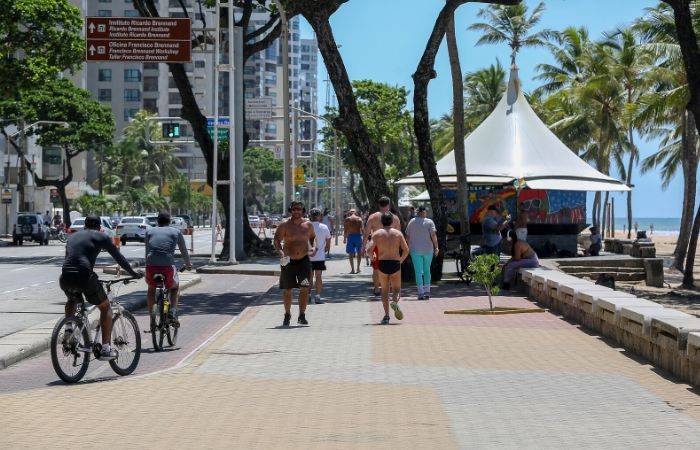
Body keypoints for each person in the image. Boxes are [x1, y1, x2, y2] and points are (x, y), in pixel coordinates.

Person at [59, 214, 142, 360]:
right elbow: (119, 258)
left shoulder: (72, 237)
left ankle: (68, 329)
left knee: (72, 299)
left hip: (65, 276)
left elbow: (70, 258)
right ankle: (106, 348)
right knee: (105, 307)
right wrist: (133, 273)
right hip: (85, 276)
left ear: (84, 226)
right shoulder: (101, 236)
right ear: (100, 227)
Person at [145, 211, 192, 330]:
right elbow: (183, 250)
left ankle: (152, 319)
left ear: (157, 221)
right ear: (170, 221)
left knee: (151, 289)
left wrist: (147, 266)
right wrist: (188, 264)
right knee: (175, 287)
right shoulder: (176, 232)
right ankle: (172, 311)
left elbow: (147, 251)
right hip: (167, 267)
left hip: (151, 266)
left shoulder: (149, 231)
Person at [274, 201, 317, 326]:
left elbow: (313, 238)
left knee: (304, 288)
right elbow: (276, 240)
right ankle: (287, 314)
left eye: (299, 209)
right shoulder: (284, 225)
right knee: (287, 289)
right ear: (290, 210)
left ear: (303, 210)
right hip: (287, 260)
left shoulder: (308, 225)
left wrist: (314, 248)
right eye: (294, 209)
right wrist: (280, 252)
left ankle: (302, 315)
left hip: (304, 260)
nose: (296, 211)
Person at [368, 212, 409, 325]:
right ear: (392, 221)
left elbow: (368, 250)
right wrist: (401, 260)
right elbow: (406, 250)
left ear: (381, 221)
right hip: (395, 263)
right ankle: (394, 302)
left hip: (382, 263)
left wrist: (374, 259)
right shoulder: (398, 234)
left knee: (385, 291)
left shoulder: (377, 234)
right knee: (396, 289)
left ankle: (386, 316)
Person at [362, 196, 401, 293]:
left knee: (376, 267)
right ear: (389, 204)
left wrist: (363, 247)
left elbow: (366, 234)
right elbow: (399, 234)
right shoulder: (395, 218)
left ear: (379, 205)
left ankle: (376, 288)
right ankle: (392, 288)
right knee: (392, 267)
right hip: (391, 247)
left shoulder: (373, 217)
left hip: (376, 247)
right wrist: (399, 248)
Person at [405, 205, 438, 300]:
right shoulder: (429, 222)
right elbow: (433, 236)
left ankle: (420, 292)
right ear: (424, 212)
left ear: (417, 212)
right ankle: (427, 291)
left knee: (418, 272)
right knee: (427, 270)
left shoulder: (412, 222)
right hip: (428, 250)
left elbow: (407, 236)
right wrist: (436, 247)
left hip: (415, 250)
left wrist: (409, 246)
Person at [308, 208, 331, 304]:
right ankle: (317, 296)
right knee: (318, 276)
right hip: (320, 256)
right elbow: (328, 239)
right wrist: (327, 249)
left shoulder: (305, 226)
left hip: (307, 255)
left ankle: (308, 295)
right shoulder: (324, 227)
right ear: (319, 216)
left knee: (309, 276)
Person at [343, 209, 364, 274]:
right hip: (358, 236)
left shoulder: (347, 219)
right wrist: (364, 238)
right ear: (356, 213)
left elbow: (345, 230)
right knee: (359, 253)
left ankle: (352, 269)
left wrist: (344, 239)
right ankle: (358, 268)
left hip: (350, 237)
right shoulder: (359, 219)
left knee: (351, 254)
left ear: (349, 213)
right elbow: (363, 230)